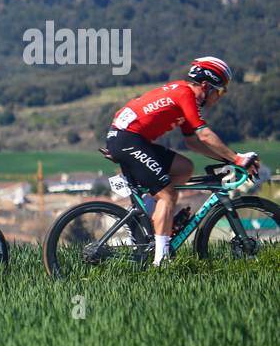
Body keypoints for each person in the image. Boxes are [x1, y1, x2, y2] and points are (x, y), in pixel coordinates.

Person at [106, 56, 258, 265]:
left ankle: (150, 218)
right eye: (220, 91)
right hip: (128, 140)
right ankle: (161, 261)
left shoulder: (184, 95)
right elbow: (204, 135)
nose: (220, 97)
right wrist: (238, 158)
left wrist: (229, 159)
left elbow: (193, 143)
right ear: (205, 86)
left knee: (184, 168)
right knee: (168, 195)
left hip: (130, 139)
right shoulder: (185, 94)